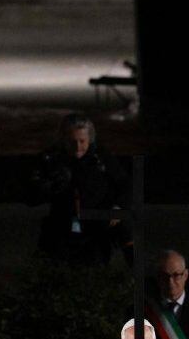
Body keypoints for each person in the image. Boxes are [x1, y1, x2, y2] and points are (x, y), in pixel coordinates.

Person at [31, 114, 132, 266]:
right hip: (62, 222)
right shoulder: (50, 159)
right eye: (72, 142)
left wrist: (118, 208)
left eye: (82, 141)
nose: (77, 147)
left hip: (96, 223)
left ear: (90, 139)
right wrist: (47, 187)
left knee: (125, 229)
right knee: (50, 268)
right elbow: (30, 196)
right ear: (63, 139)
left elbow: (125, 185)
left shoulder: (101, 158)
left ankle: (137, 276)